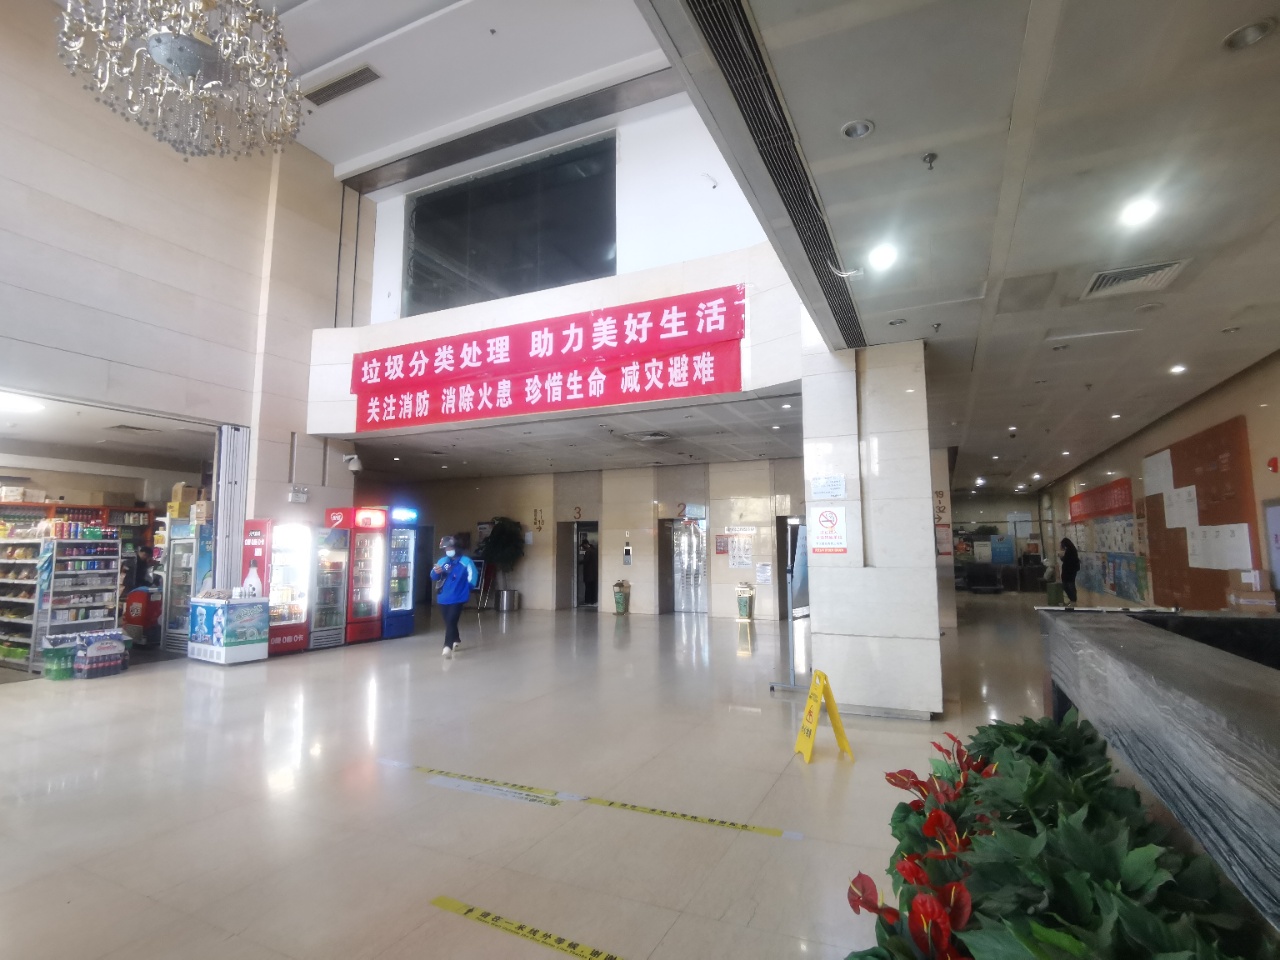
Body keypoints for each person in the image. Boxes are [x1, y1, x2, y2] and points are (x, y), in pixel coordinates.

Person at [430, 535, 477, 658]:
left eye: (450, 548)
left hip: (458, 596)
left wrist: (467, 588)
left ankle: (447, 646)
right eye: (446, 549)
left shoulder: (466, 561)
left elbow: (473, 576)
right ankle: (456, 638)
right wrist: (436, 572)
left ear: (456, 547)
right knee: (449, 621)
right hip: (443, 597)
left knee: (451, 620)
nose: (448, 550)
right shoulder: (442, 561)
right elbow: (434, 576)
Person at [1058, 538, 1080, 608]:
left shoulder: (1070, 550)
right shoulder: (1071, 550)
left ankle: (1073, 601)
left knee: (1069, 586)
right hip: (1069, 571)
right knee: (1067, 586)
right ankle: (1072, 600)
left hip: (1069, 572)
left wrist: (1061, 557)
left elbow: (1067, 560)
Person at [579, 537, 598, 605]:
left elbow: (586, 561)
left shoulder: (588, 551)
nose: (583, 548)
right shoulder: (594, 550)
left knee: (588, 588)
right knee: (593, 588)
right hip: (594, 574)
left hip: (589, 573)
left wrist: (579, 562)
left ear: (585, 544)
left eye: (583, 546)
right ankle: (593, 601)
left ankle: (588, 601)